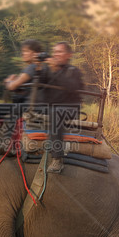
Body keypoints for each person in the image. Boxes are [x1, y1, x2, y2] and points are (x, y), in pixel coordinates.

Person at [37, 41, 83, 173]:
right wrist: (39, 66)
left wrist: (56, 69)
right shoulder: (48, 69)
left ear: (68, 55)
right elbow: (38, 84)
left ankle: (57, 159)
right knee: (22, 106)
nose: (56, 54)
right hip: (50, 107)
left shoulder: (73, 71)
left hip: (70, 108)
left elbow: (72, 87)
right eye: (54, 52)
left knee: (55, 112)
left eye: (60, 52)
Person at [3, 39, 44, 105]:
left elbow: (12, 86)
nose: (22, 53)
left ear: (36, 54)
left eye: (26, 51)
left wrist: (8, 81)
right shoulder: (42, 67)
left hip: (29, 106)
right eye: (22, 51)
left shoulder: (32, 67)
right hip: (38, 105)